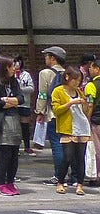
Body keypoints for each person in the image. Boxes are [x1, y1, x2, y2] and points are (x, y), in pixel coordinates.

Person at [0, 57, 25, 196]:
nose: (14, 69)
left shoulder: (14, 81)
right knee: (4, 154)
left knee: (14, 154)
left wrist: (9, 100)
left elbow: (21, 98)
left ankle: (10, 181)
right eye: (11, 67)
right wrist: (12, 102)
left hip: (14, 120)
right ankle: (1, 183)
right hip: (2, 121)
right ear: (5, 68)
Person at [51, 67, 89, 196]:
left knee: (80, 158)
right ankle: (60, 182)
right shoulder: (58, 91)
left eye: (79, 80)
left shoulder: (79, 91)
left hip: (82, 127)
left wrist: (85, 104)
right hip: (67, 128)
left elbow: (85, 112)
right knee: (67, 157)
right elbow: (56, 110)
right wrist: (70, 103)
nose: (77, 83)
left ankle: (79, 184)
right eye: (75, 79)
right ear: (67, 77)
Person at [36, 46, 67, 184]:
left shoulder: (45, 73)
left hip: (53, 113)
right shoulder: (68, 73)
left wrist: (40, 111)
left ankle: (59, 176)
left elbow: (42, 94)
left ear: (53, 58)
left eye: (46, 56)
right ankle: (72, 176)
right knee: (67, 145)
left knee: (56, 145)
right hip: (67, 114)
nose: (45, 58)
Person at [14, 56, 36, 155]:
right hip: (14, 104)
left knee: (25, 126)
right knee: (15, 127)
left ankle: (27, 147)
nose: (17, 64)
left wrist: (21, 89)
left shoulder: (26, 75)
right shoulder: (10, 75)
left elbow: (31, 88)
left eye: (18, 62)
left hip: (24, 103)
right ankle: (16, 148)